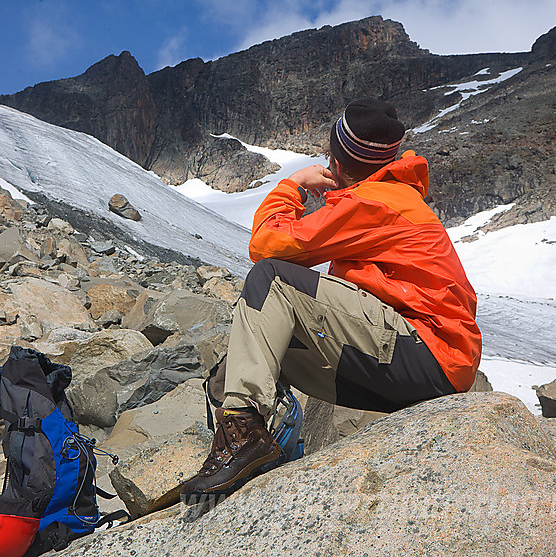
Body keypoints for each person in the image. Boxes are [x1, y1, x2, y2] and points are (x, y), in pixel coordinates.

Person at [180, 98, 482, 504]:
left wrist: (292, 186)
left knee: (273, 280)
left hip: (426, 356)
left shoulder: (375, 201)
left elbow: (267, 246)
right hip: (417, 365)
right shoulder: (387, 197)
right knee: (234, 368)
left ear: (337, 162)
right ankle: (248, 457)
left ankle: (244, 434)